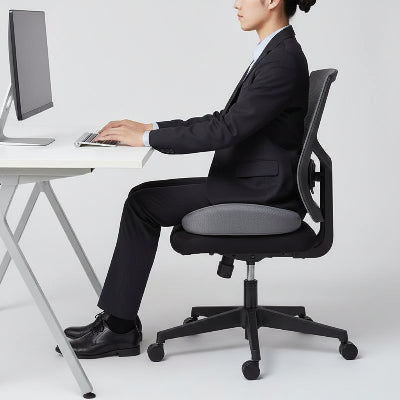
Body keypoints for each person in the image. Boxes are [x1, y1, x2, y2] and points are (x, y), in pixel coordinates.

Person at [56, 0, 317, 359]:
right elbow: (224, 119)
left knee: (142, 204)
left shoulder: (282, 59)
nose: (236, 4)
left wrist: (146, 139)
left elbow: (227, 130)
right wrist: (151, 127)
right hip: (253, 181)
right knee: (143, 195)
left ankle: (118, 329)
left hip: (262, 192)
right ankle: (118, 321)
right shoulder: (275, 52)